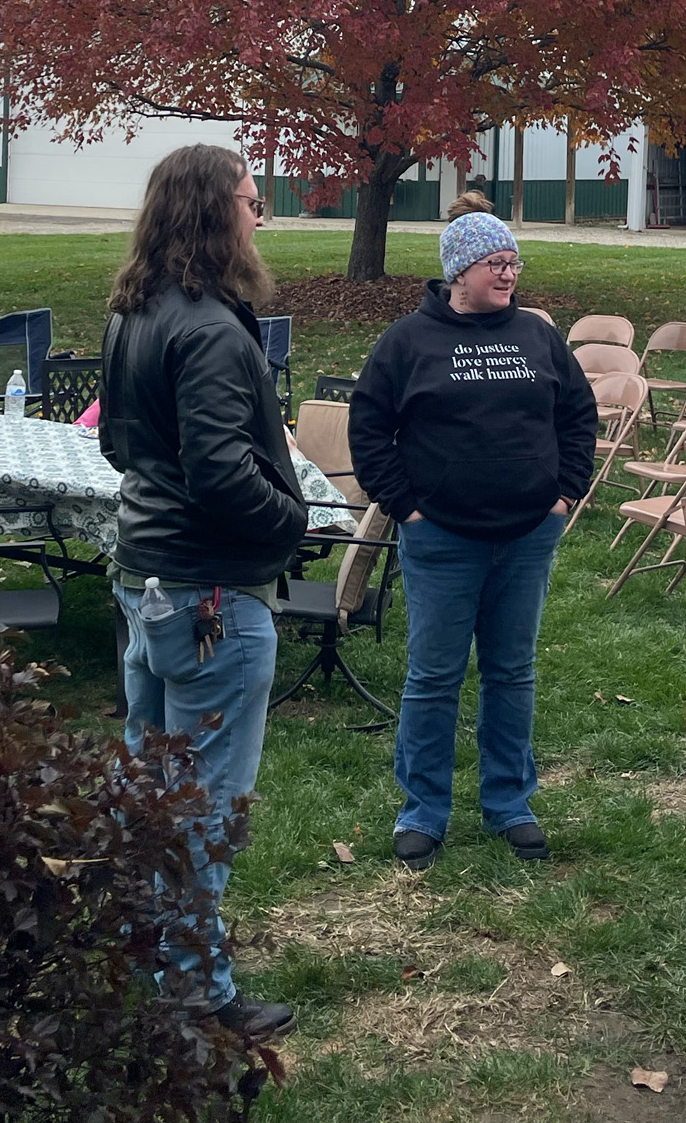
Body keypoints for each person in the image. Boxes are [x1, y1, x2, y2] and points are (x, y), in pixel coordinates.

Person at [99, 144, 310, 1043]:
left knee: (150, 784)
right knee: (201, 806)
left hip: (146, 578)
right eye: (253, 203)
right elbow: (222, 472)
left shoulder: (134, 309)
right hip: (210, 592)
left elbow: (117, 446)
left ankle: (138, 953)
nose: (260, 217)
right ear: (215, 211)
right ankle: (194, 995)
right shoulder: (213, 331)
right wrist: (287, 524)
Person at [349, 212, 598, 873]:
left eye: (514, 262)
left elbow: (578, 415)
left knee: (511, 673)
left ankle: (509, 804)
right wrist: (404, 506)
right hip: (442, 539)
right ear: (461, 270)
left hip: (525, 536)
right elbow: (369, 427)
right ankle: (423, 811)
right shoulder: (407, 342)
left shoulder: (537, 337)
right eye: (498, 263)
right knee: (433, 677)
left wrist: (565, 493)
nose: (510, 273)